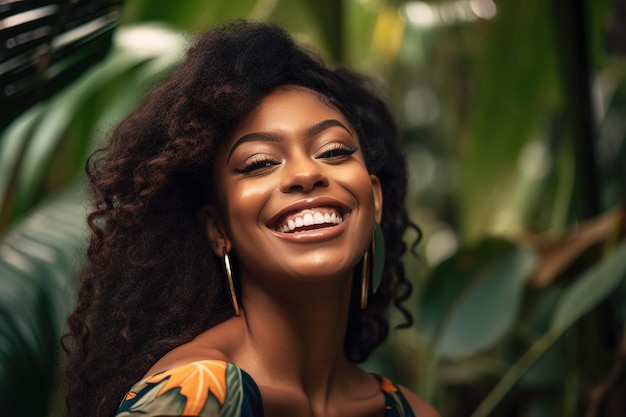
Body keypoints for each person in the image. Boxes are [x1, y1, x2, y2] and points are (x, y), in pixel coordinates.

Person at [63, 20, 440, 417]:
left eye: (332, 151)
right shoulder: (195, 396)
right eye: (259, 162)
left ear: (374, 199)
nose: (304, 174)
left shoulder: (410, 410)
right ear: (218, 228)